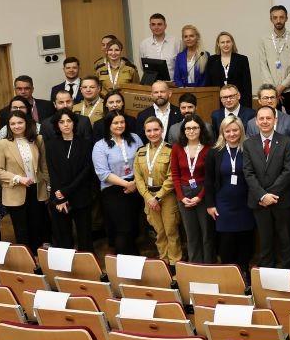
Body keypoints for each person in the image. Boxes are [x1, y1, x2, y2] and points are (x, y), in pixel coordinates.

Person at [243, 106, 290, 269]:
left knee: (286, 239)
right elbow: (248, 172)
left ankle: (286, 271)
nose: (265, 121)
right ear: (256, 121)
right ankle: (267, 272)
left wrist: (270, 194)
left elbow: (288, 171)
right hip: (259, 201)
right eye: (261, 118)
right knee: (265, 240)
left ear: (275, 120)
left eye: (268, 118)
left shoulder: (286, 141)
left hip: (281, 200)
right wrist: (262, 195)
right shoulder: (248, 144)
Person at [205, 116, 256, 281]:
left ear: (241, 131)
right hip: (223, 205)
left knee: (245, 242)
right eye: (228, 131)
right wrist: (210, 204)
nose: (232, 134)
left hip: (245, 204)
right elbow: (209, 180)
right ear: (222, 132)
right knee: (226, 244)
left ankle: (244, 275)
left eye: (235, 130)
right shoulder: (214, 152)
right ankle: (229, 278)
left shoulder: (249, 149)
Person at [0, 110, 50, 251]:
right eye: (12, 124)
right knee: (21, 230)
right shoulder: (2, 144)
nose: (16, 126)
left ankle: (37, 257)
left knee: (37, 227)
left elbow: (44, 166)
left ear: (26, 123)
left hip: (36, 190)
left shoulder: (38, 140)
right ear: (8, 126)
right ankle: (25, 259)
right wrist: (18, 178)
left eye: (20, 122)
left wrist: (48, 186)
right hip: (15, 191)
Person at [91, 113, 144, 256]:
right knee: (123, 228)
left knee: (133, 226)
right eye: (115, 123)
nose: (120, 125)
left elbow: (143, 162)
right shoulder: (100, 145)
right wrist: (127, 184)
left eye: (122, 122)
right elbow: (103, 174)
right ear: (108, 125)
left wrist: (135, 182)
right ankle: (126, 261)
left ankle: (133, 260)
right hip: (113, 189)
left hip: (136, 185)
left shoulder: (135, 138)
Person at [44, 109, 96, 251]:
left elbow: (86, 171)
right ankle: (65, 263)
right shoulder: (50, 144)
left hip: (80, 194)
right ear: (57, 125)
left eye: (69, 121)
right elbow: (52, 171)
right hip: (59, 196)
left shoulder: (85, 143)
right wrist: (60, 196)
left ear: (74, 123)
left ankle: (86, 262)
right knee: (62, 237)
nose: (66, 125)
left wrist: (66, 191)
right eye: (62, 122)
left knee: (85, 235)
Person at [134, 117, 180, 265]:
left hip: (166, 196)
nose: (152, 133)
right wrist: (149, 197)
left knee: (171, 231)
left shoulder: (171, 150)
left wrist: (158, 197)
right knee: (159, 232)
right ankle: (164, 261)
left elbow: (172, 177)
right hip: (149, 197)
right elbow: (138, 178)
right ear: (145, 132)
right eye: (149, 130)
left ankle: (174, 263)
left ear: (162, 130)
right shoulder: (140, 152)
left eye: (156, 130)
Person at [171, 114, 215, 264]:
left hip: (203, 193)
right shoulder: (177, 148)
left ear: (201, 129)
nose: (191, 131)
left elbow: (210, 177)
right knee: (191, 234)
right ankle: (195, 265)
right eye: (188, 128)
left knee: (206, 233)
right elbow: (175, 175)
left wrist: (200, 197)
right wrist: (181, 197)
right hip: (184, 194)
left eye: (195, 128)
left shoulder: (209, 149)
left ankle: (208, 265)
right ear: (183, 130)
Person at [257, 5, 290, 116]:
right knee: (271, 119)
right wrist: (274, 89)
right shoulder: (264, 39)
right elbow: (263, 66)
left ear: (286, 18)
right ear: (271, 19)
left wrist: (282, 87)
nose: (278, 20)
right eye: (275, 17)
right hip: (270, 92)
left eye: (281, 17)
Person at [204, 31, 253, 108]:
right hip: (217, 102)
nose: (225, 45)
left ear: (232, 43)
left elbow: (247, 85)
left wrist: (247, 107)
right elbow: (208, 84)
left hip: (238, 101)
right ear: (218, 44)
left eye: (228, 42)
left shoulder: (242, 59)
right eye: (222, 42)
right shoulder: (211, 60)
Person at [139, 13, 182, 80]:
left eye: (159, 24)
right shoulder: (144, 44)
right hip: (152, 84)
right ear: (150, 26)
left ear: (165, 26)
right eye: (153, 24)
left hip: (172, 83)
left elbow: (181, 65)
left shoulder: (176, 42)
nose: (156, 27)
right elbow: (143, 67)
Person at [172, 24, 209, 88]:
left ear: (197, 37)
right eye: (185, 37)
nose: (188, 39)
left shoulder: (204, 55)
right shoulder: (179, 56)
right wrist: (182, 88)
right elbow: (177, 77)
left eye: (191, 36)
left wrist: (198, 90)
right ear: (183, 39)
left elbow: (206, 78)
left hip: (201, 90)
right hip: (183, 90)